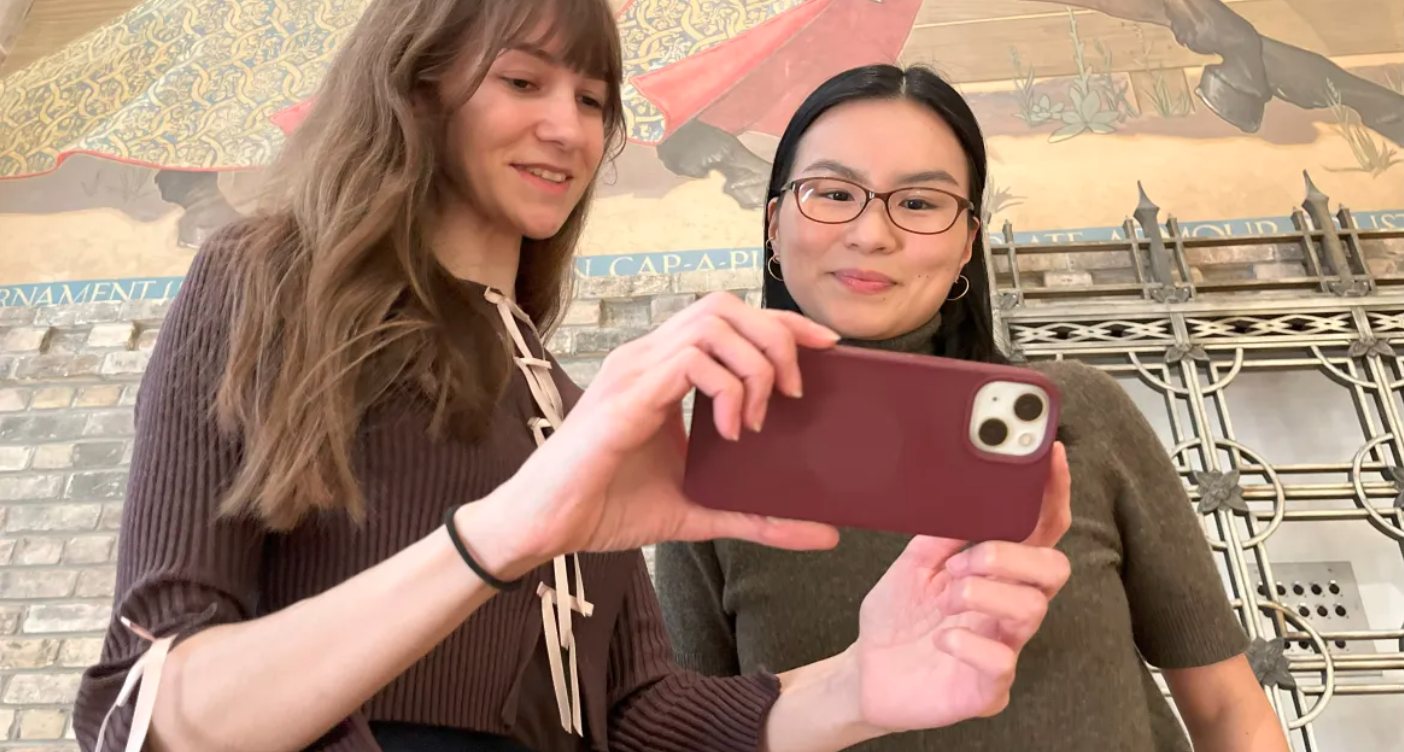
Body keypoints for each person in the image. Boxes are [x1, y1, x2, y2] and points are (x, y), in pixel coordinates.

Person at [71, 3, 1076, 752]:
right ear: (415, 84)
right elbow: (148, 702)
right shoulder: (263, 276)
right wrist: (508, 529)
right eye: (523, 82)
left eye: (594, 100)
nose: (572, 128)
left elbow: (643, 715)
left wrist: (863, 680)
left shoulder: (563, 394)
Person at [654, 64, 1290, 752]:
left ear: (966, 243)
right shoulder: (722, 463)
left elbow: (1230, 709)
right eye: (834, 193)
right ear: (775, 223)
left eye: (921, 203)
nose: (871, 233)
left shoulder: (1080, 417)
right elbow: (691, 735)